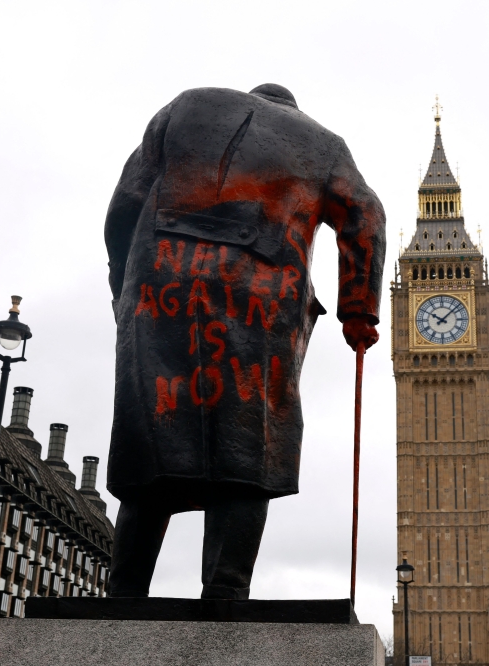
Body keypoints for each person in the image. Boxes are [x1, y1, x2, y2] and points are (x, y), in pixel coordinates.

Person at [103, 83, 386, 599]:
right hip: (262, 293)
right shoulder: (324, 145)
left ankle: (124, 589)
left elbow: (125, 203)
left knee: (153, 429)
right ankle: (227, 588)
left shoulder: (187, 104)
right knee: (251, 439)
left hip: (160, 282)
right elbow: (365, 216)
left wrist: (122, 281)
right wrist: (358, 312)